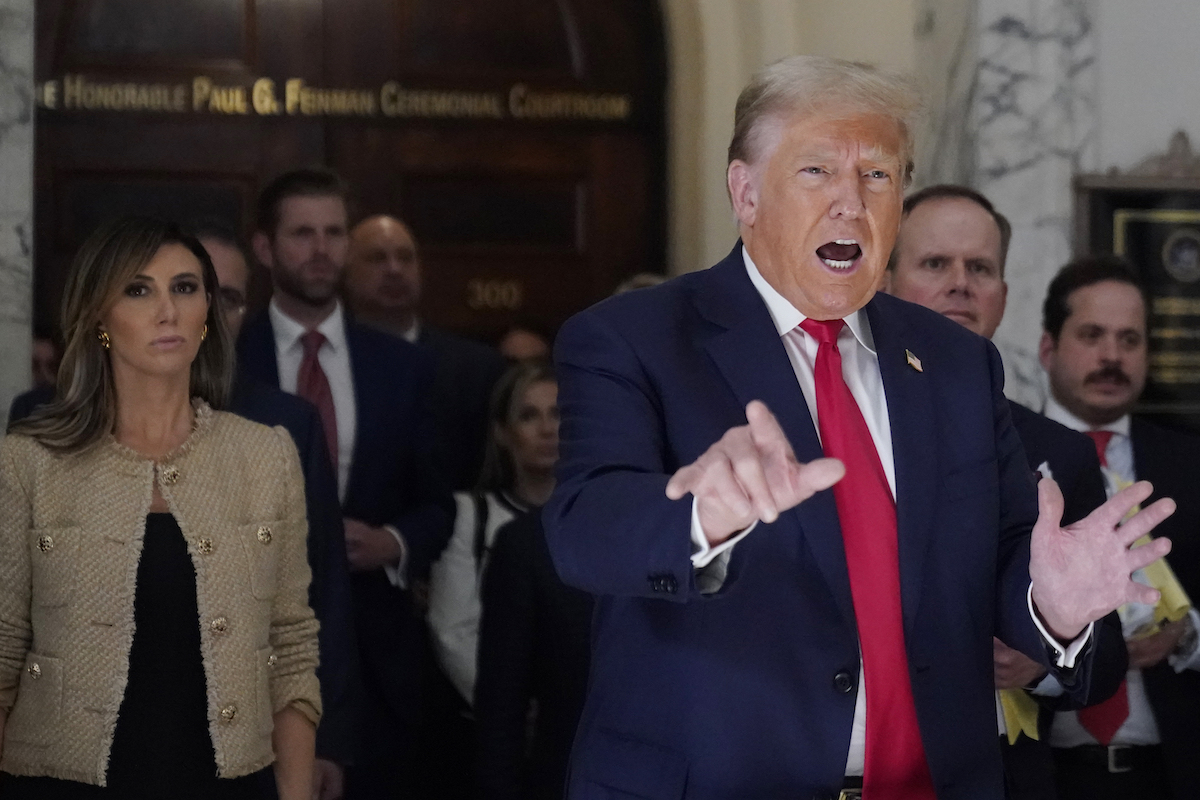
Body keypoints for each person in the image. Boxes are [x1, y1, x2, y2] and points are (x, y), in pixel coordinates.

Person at [544, 55, 1176, 800]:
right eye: (817, 171)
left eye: (877, 176)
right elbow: (585, 528)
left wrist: (1052, 607)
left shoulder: (955, 364)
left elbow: (1005, 551)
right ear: (745, 193)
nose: (851, 203)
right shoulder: (632, 339)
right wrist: (699, 519)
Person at [9, 219, 363, 800]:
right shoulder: (30, 461)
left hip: (226, 779)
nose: (168, 310)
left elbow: (292, 647)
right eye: (139, 289)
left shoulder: (265, 454)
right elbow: (3, 651)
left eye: (186, 287)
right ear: (99, 317)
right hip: (61, 780)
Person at [885, 184, 1121, 800]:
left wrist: (1045, 656)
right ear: (883, 281)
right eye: (935, 264)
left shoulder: (1061, 449)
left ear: (1003, 297)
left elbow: (1104, 662)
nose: (960, 283)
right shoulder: (833, 420)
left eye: (980, 268)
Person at [238, 168, 453, 799]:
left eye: (334, 233)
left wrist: (394, 541)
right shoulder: (226, 359)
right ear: (264, 248)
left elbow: (440, 502)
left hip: (380, 659)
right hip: (255, 655)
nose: (321, 249)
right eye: (303, 233)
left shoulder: (404, 366)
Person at [1038, 255, 1200, 800]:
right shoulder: (1002, 459)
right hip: (1041, 773)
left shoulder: (1191, 465)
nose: (1112, 356)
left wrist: (1188, 635)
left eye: (1129, 340)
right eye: (1092, 335)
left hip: (1169, 774)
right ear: (1047, 348)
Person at [428, 360, 559, 706]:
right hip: (491, 718)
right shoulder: (469, 516)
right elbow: (452, 632)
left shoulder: (599, 518)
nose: (548, 429)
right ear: (502, 432)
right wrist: (508, 709)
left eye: (558, 414)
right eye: (529, 416)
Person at [345, 214, 506, 491]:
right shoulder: (323, 361)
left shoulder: (476, 368)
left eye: (406, 258)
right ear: (345, 271)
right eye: (377, 258)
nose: (394, 269)